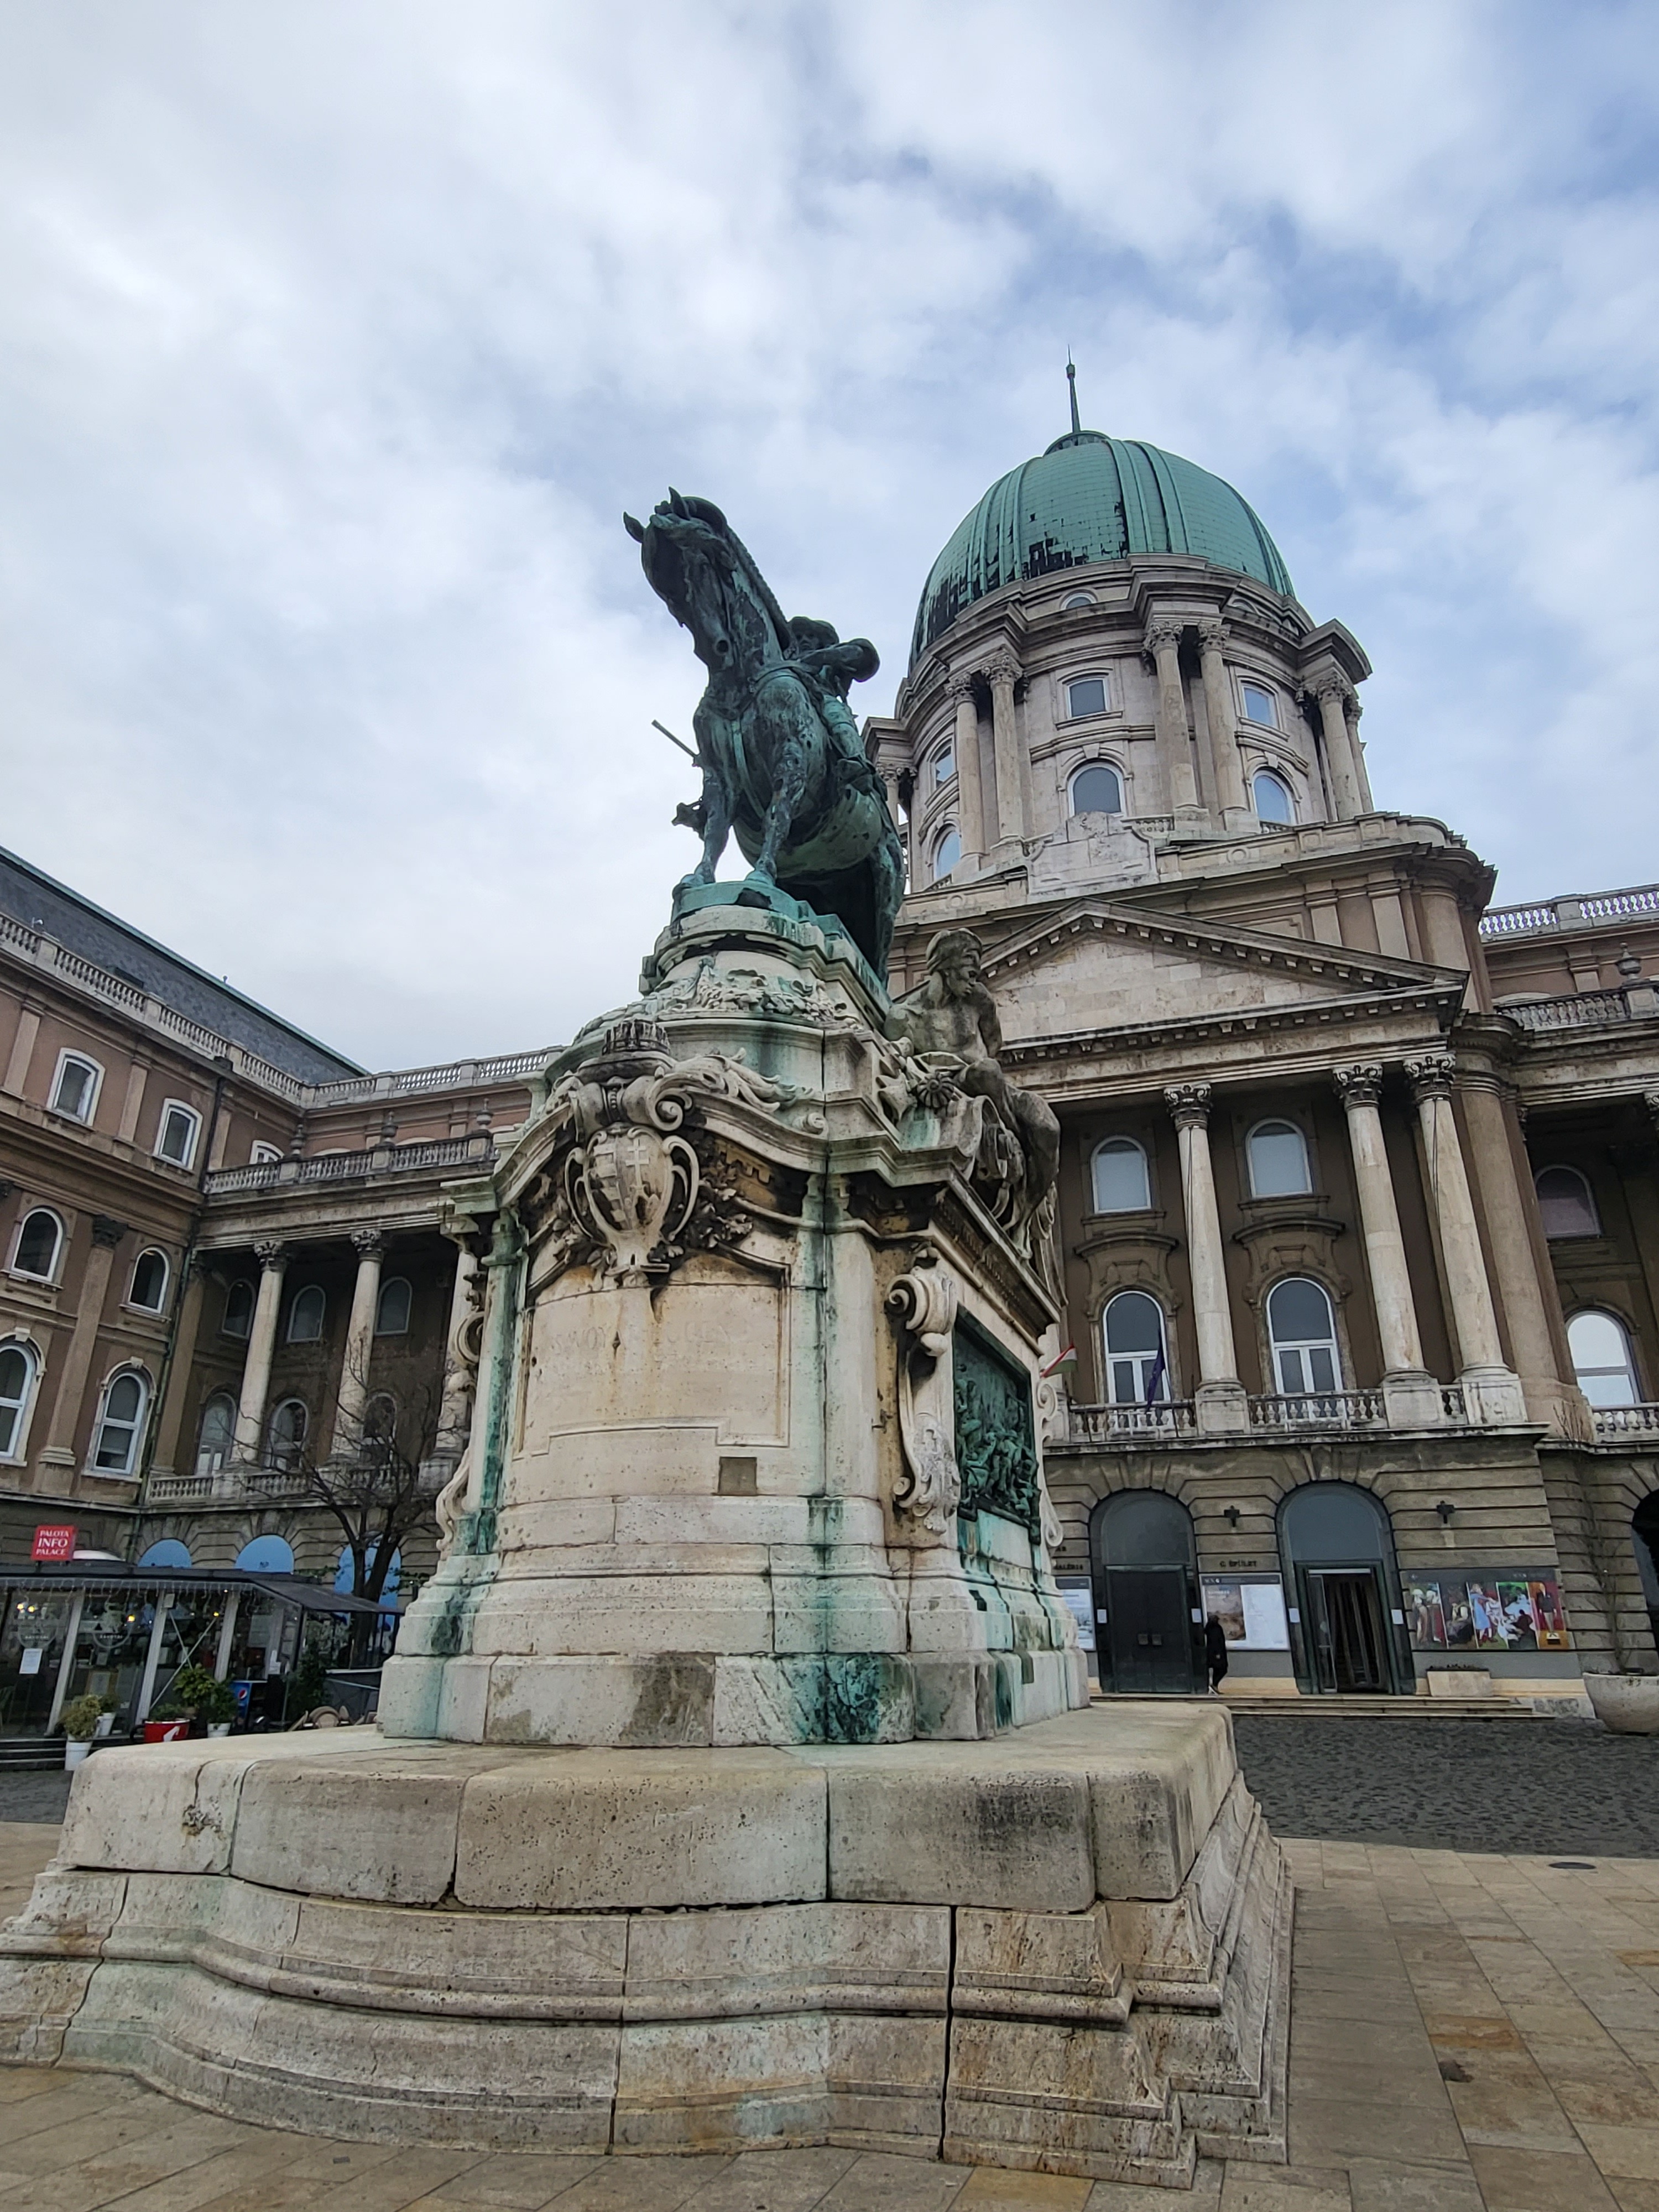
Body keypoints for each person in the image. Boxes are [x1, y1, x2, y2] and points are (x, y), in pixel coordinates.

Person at [1204, 1611, 1230, 1694]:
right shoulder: (1214, 1629)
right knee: (1222, 1668)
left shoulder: (1210, 1628)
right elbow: (1216, 1642)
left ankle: (1214, 1685)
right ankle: (1214, 1685)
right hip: (1217, 1653)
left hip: (1216, 1652)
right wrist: (1217, 1653)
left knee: (1218, 1669)